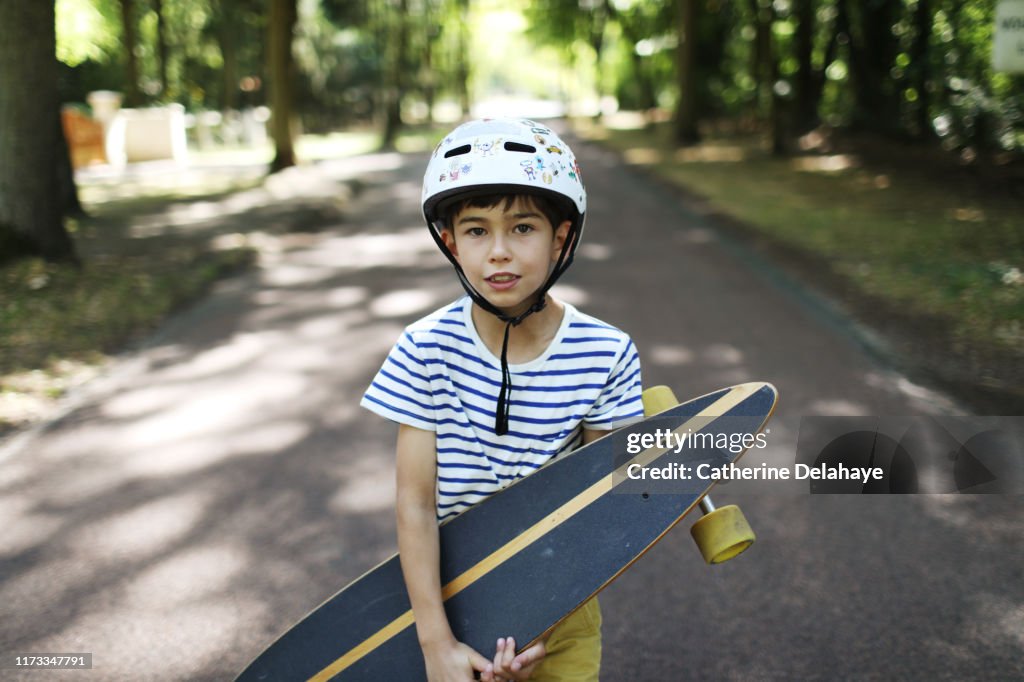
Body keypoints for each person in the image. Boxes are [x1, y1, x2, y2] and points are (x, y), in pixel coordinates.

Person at [361, 118, 644, 682]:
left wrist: (538, 620)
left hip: (561, 611)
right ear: (449, 241)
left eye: (521, 228)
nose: (498, 253)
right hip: (452, 600)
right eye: (475, 231)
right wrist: (435, 644)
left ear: (560, 237)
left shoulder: (606, 353)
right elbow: (414, 504)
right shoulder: (424, 349)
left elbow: (598, 511)